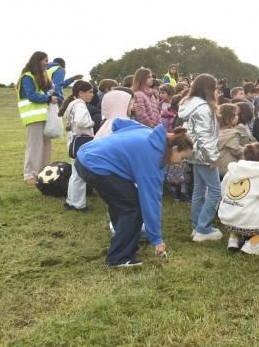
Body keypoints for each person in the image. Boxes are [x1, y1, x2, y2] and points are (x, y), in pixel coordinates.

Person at [75, 120, 193, 266]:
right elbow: (151, 202)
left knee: (120, 202)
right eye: (182, 158)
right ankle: (119, 257)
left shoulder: (149, 132)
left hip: (85, 155)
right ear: (175, 149)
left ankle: (124, 239)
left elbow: (118, 123)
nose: (181, 163)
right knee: (133, 207)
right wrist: (156, 238)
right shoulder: (153, 159)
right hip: (95, 165)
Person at [179, 74, 223, 242]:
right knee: (215, 191)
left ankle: (197, 226)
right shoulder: (203, 108)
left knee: (198, 190)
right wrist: (213, 157)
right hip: (205, 154)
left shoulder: (190, 104)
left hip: (195, 153)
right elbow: (205, 136)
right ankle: (203, 229)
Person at [16, 51, 58, 184]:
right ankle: (30, 175)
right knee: (35, 146)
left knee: (46, 145)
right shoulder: (27, 77)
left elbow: (48, 91)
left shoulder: (42, 76)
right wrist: (49, 98)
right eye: (45, 60)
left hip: (45, 116)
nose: (47, 63)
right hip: (33, 118)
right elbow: (31, 95)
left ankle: (44, 173)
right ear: (37, 61)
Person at [59, 80, 96, 212]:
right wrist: (91, 123)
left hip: (73, 141)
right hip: (81, 141)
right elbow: (80, 122)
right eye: (90, 92)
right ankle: (79, 205)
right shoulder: (80, 105)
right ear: (81, 93)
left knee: (75, 174)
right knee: (80, 175)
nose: (92, 94)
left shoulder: (73, 104)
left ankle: (71, 201)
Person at [214, 103, 254, 176]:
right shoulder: (230, 135)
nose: (237, 117)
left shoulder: (216, 132)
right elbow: (238, 151)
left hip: (218, 169)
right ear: (229, 118)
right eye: (235, 115)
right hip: (228, 171)